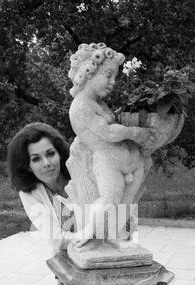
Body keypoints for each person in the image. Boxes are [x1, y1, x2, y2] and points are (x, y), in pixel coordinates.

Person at [68, 42, 154, 247]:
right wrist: (135, 133)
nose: (113, 81)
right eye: (108, 75)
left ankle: (117, 234)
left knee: (126, 201)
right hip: (107, 162)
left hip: (130, 160)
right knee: (109, 200)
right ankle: (90, 230)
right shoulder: (80, 107)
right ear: (88, 73)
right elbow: (108, 133)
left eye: (114, 76)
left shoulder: (99, 104)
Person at [7, 122, 77, 253]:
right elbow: (57, 240)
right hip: (67, 263)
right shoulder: (29, 193)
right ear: (27, 166)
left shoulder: (80, 175)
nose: (46, 163)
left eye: (50, 154)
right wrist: (92, 235)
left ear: (60, 154)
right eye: (36, 159)